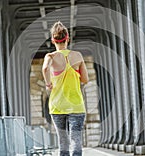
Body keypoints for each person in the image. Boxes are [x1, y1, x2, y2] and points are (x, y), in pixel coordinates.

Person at [42, 21, 89, 156]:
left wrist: (48, 83)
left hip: (57, 106)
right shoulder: (77, 56)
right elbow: (85, 79)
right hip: (76, 105)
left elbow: (45, 68)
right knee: (76, 140)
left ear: (53, 40)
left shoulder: (50, 56)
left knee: (63, 141)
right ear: (67, 38)